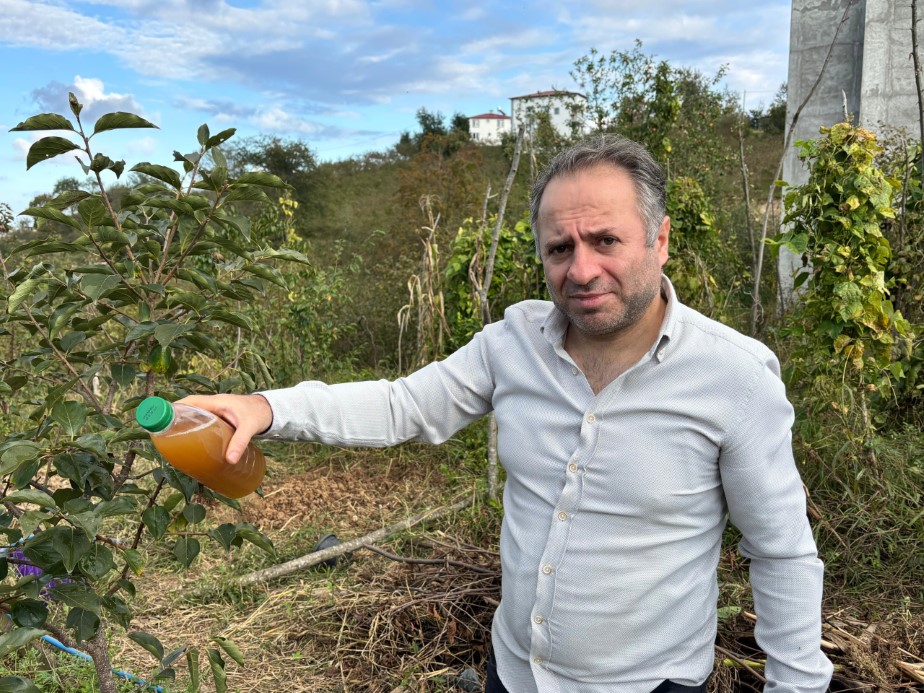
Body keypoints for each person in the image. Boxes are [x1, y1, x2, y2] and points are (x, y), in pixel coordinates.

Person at [180, 135, 834, 692]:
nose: (581, 270)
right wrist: (268, 406)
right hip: (515, 673)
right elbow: (404, 404)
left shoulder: (735, 377)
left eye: (606, 240)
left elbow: (781, 553)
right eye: (559, 248)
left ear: (659, 239)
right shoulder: (513, 342)